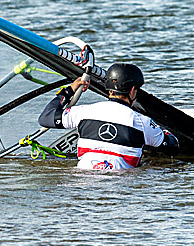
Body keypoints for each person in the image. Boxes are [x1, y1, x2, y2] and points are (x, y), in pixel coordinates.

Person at [37, 62, 179, 170]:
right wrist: (160, 130)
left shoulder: (84, 112)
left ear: (109, 89)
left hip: (82, 178)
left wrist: (69, 90)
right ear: (132, 91)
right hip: (119, 183)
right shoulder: (143, 122)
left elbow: (46, 118)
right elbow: (173, 147)